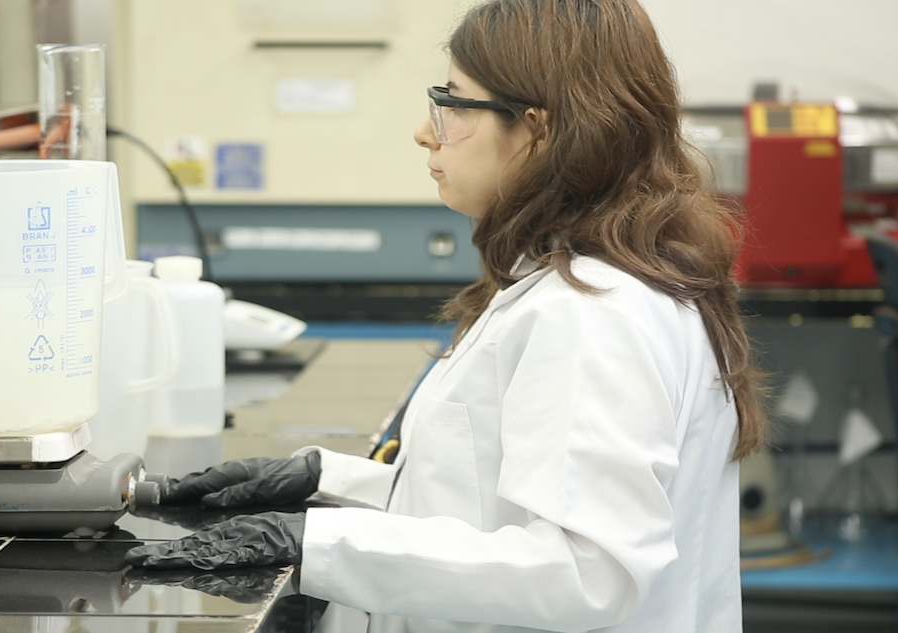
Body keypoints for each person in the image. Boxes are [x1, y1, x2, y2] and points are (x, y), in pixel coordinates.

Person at [126, 1, 769, 631]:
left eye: (453, 104)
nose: (426, 131)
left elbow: (589, 573)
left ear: (538, 131)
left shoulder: (590, 312)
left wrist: (312, 543)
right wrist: (326, 481)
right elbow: (482, 500)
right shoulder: (586, 282)